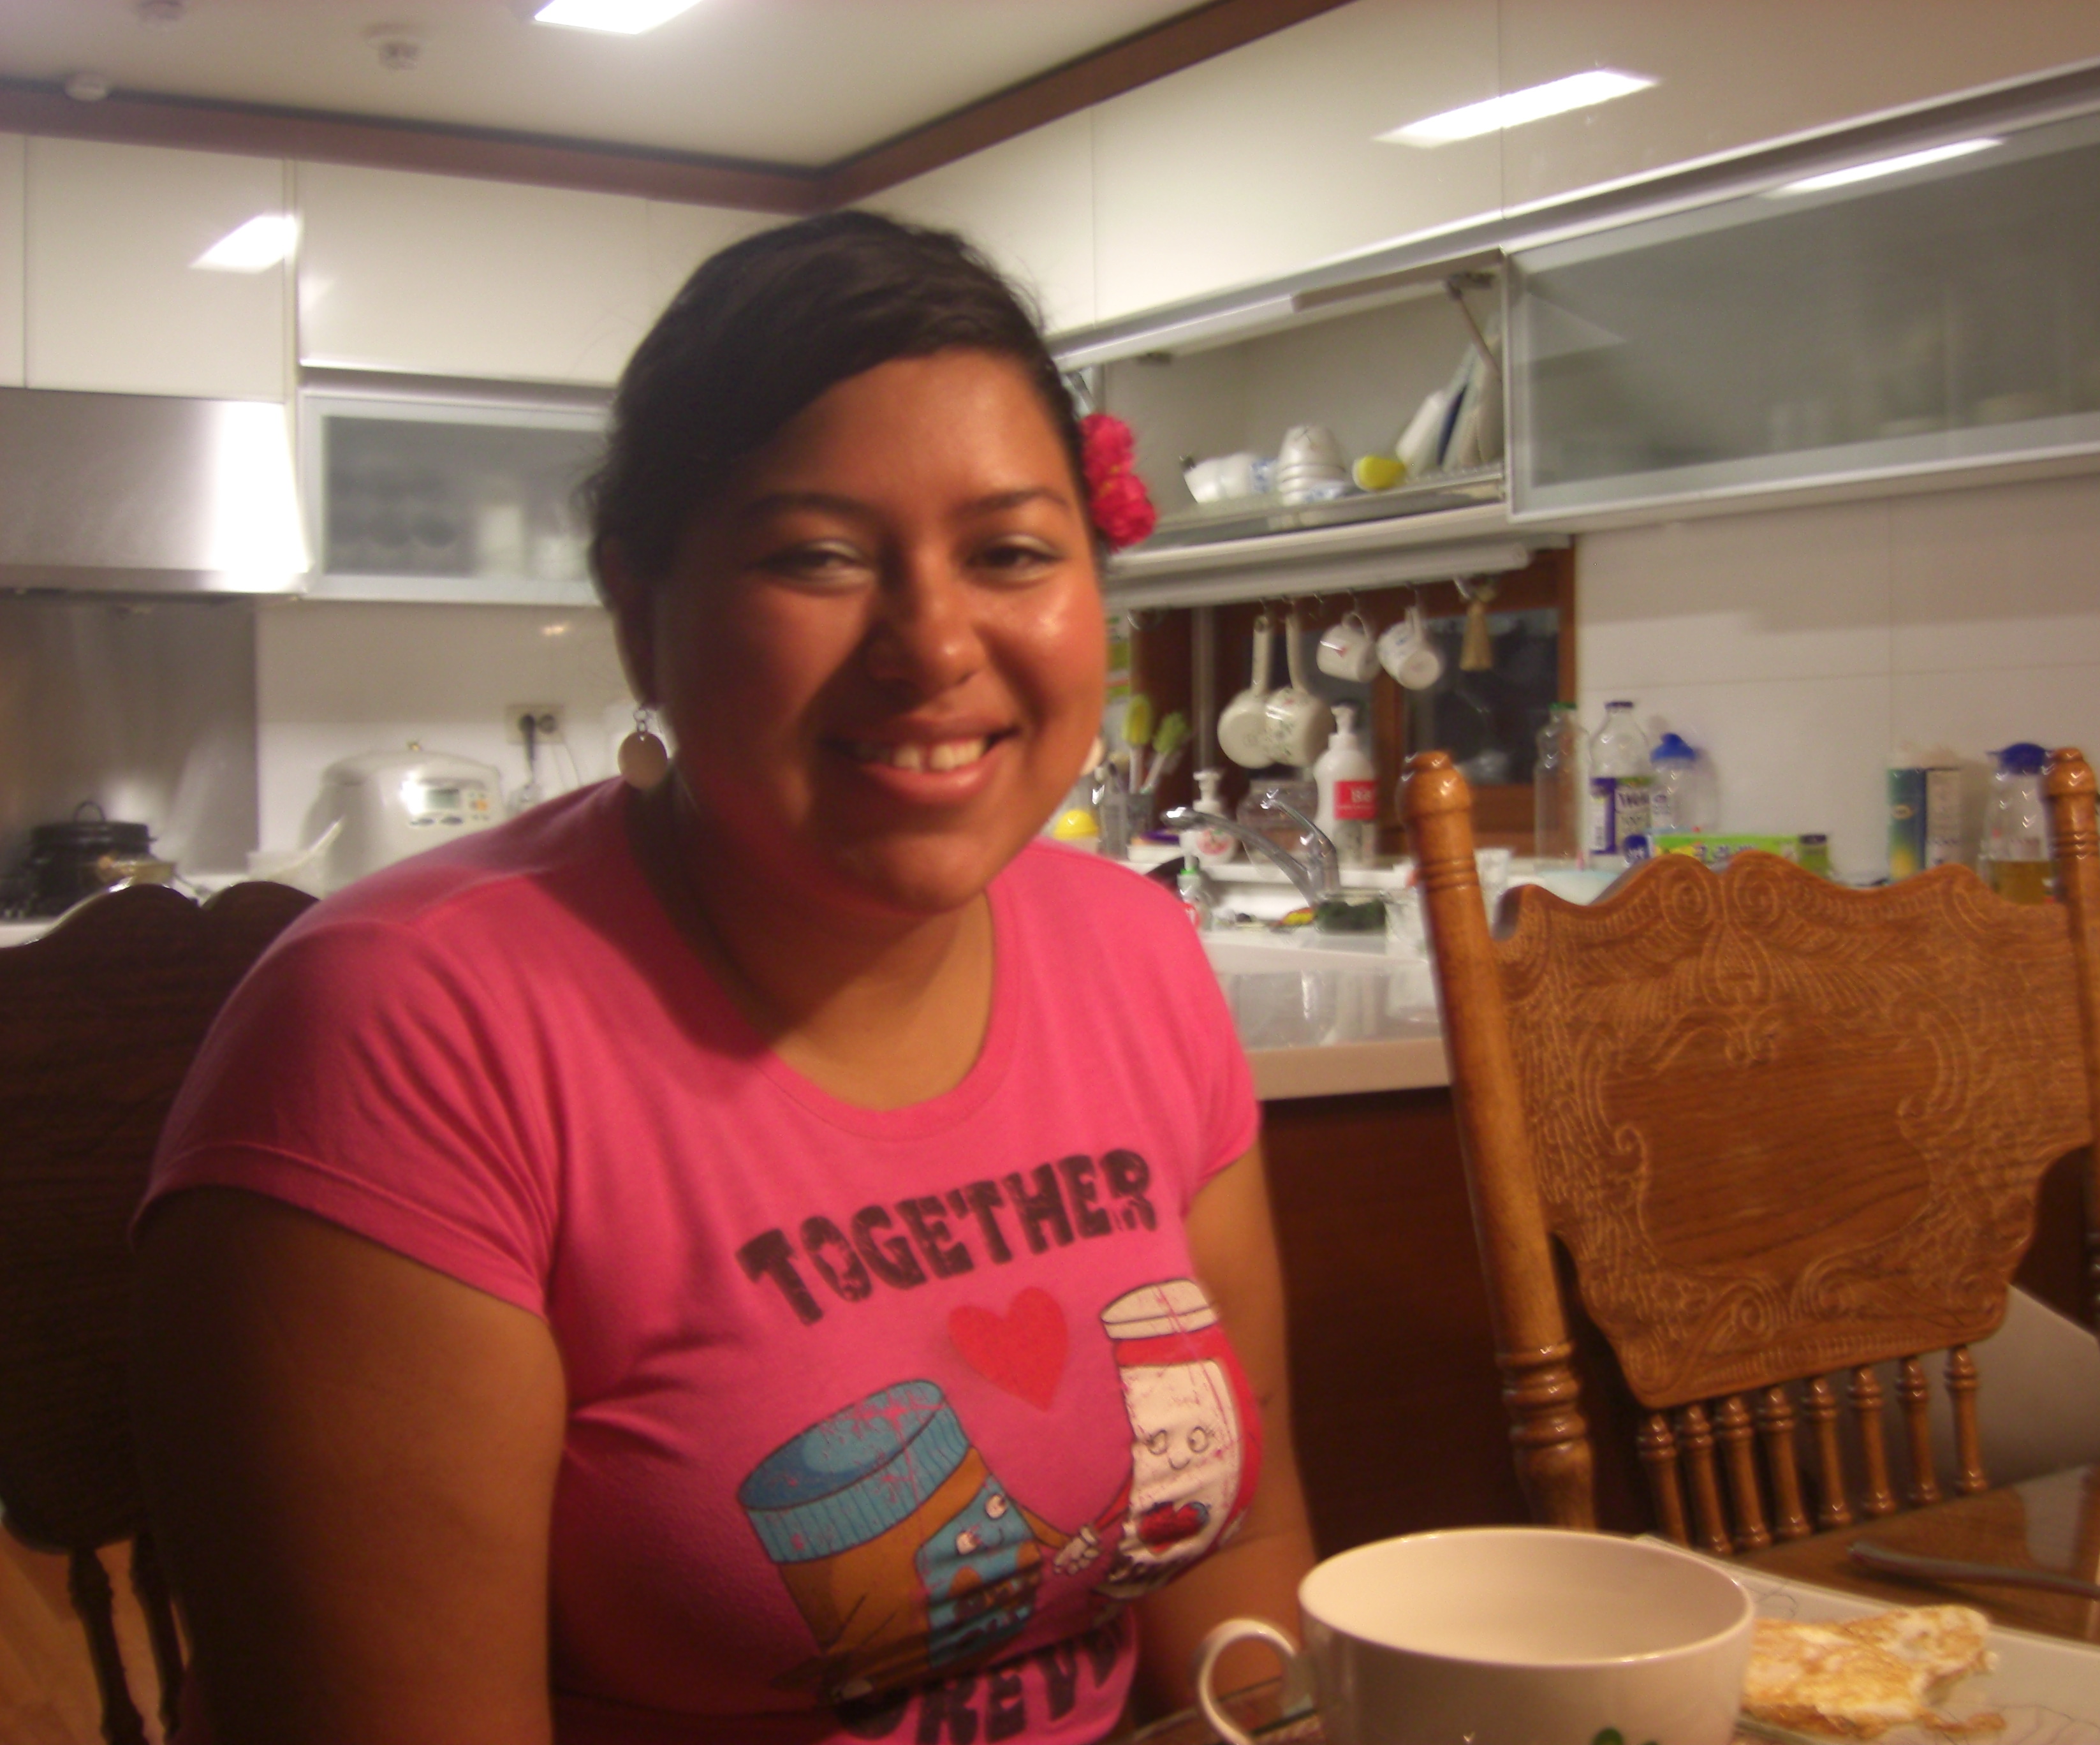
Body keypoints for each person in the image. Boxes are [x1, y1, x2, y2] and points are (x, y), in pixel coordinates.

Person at [132, 212, 1314, 1745]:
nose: (933, 645)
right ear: (641, 609)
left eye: (1011, 553)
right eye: (817, 557)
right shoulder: (407, 1033)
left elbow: (1241, 1575)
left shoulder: (1136, 955)